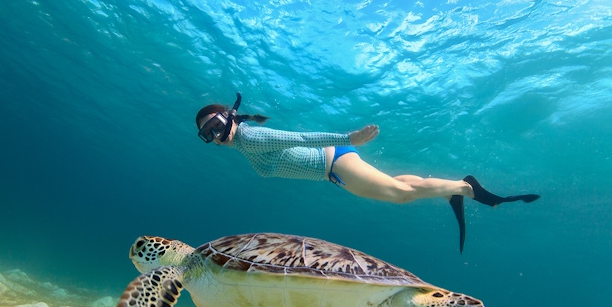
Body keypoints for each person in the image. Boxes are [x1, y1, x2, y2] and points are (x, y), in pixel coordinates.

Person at [196, 93, 540, 253]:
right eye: (206, 134)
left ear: (228, 117)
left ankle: (465, 189)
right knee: (400, 187)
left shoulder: (249, 136)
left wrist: (350, 137)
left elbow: (299, 137)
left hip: (333, 163)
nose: (214, 136)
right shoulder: (244, 143)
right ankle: (455, 189)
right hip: (333, 166)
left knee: (400, 196)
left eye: (214, 125)